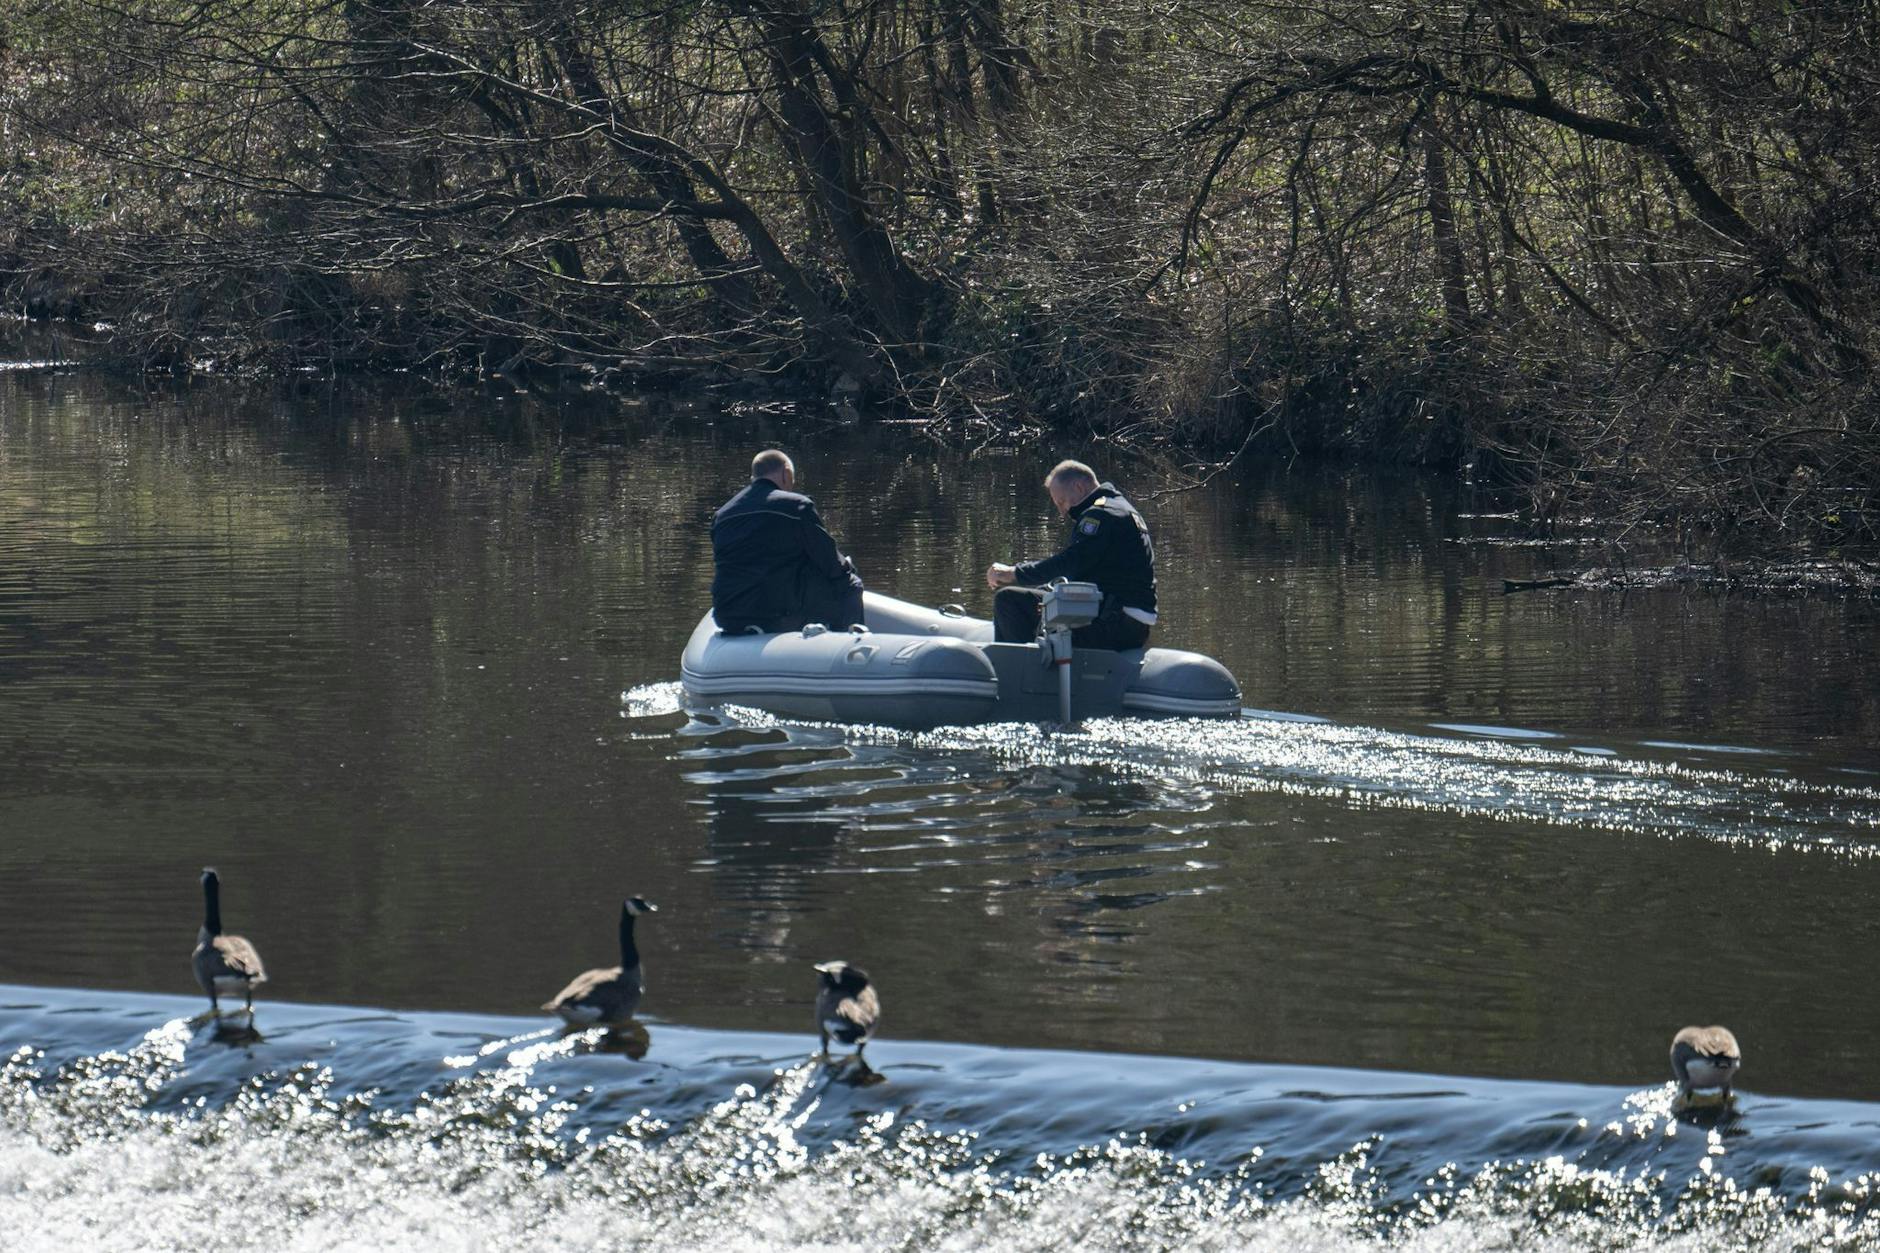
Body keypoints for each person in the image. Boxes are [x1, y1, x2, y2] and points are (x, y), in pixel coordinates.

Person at [985, 460, 1157, 649]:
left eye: (1061, 501)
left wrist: (1014, 573)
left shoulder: (1100, 515)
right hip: (1130, 624)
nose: (1062, 511)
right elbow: (1084, 572)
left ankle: (1017, 674)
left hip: (1114, 625)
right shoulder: (1120, 508)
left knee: (1009, 599)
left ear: (1079, 487)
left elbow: (1071, 562)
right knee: (1042, 598)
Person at [712, 449, 866, 633]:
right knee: (850, 584)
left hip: (728, 614)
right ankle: (847, 645)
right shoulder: (797, 506)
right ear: (786, 473)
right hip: (775, 613)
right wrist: (847, 567)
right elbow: (830, 563)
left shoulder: (721, 516)